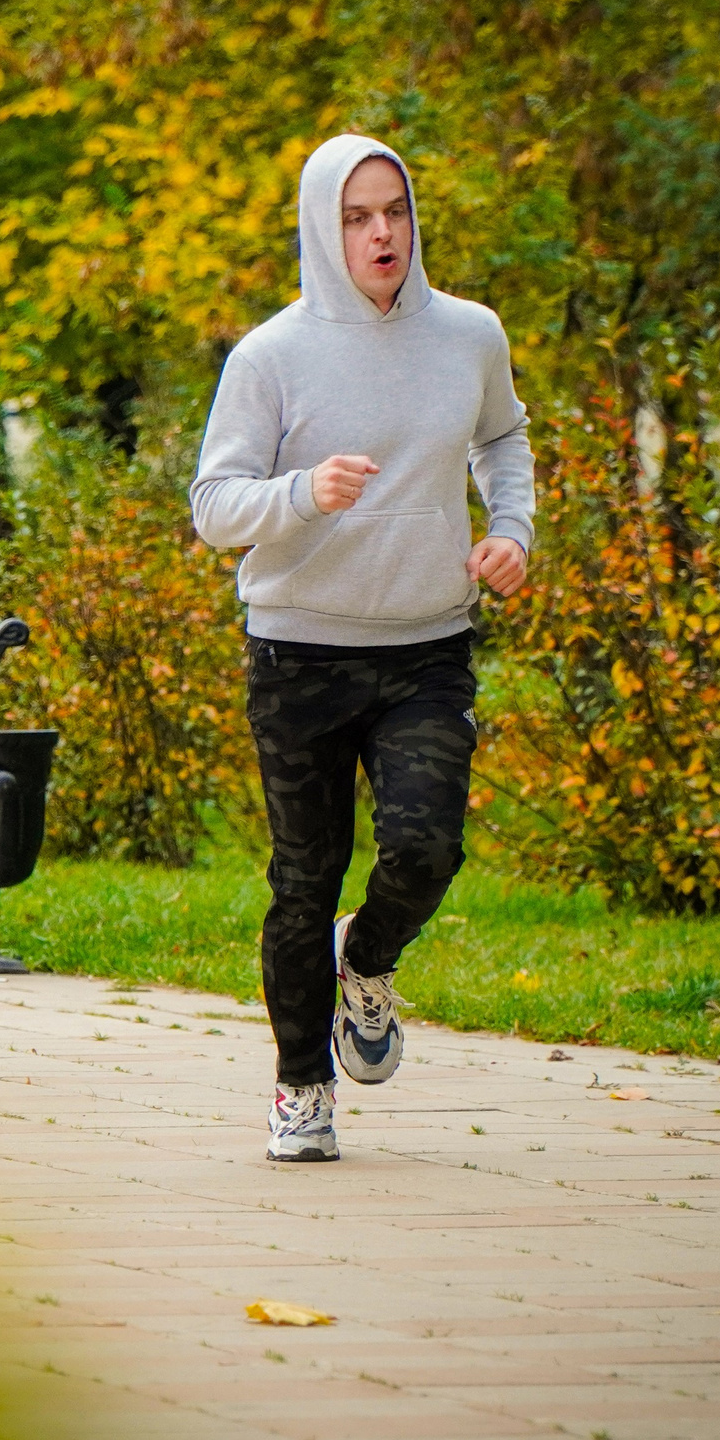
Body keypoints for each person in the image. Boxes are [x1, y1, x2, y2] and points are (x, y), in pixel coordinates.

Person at [190, 135, 535, 1163]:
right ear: (319, 228)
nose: (380, 232)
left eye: (393, 211)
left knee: (426, 847)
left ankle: (368, 961)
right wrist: (303, 493)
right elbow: (214, 508)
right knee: (306, 877)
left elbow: (503, 437)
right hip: (297, 653)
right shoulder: (270, 355)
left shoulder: (468, 334)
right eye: (355, 216)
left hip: (426, 645)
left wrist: (511, 532)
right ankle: (303, 1089)